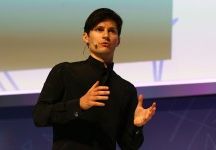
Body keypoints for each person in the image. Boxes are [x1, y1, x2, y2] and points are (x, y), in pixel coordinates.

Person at [33, 8, 156, 150]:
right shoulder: (65, 72)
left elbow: (129, 146)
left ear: (118, 41)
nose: (106, 35)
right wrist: (79, 104)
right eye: (99, 29)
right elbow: (39, 116)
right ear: (86, 37)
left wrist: (136, 126)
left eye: (112, 31)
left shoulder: (125, 89)